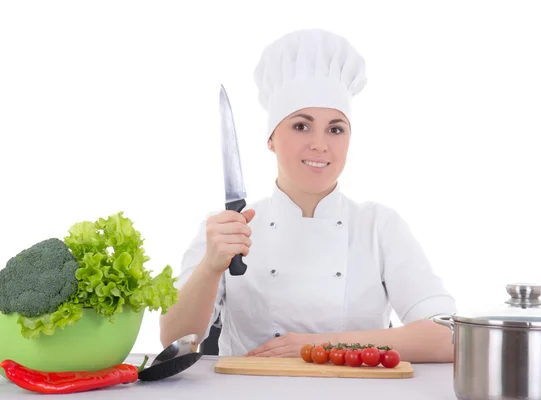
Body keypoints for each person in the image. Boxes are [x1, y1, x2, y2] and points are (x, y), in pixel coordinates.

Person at [159, 29, 456, 363]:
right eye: (301, 126)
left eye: (335, 128)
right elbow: (174, 341)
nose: (320, 144)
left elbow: (449, 336)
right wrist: (211, 267)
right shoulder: (225, 229)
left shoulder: (379, 226)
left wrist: (324, 345)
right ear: (271, 139)